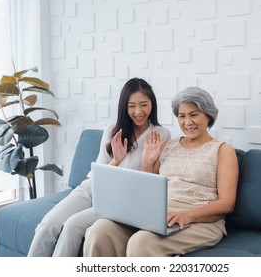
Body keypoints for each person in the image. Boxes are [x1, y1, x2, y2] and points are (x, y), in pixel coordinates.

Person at [83, 87, 239, 257]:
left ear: (208, 115)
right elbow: (151, 188)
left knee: (141, 242)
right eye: (182, 116)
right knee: (99, 231)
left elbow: (227, 203)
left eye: (193, 115)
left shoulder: (222, 150)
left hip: (200, 220)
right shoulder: (169, 145)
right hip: (160, 215)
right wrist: (147, 163)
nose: (187, 123)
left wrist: (186, 215)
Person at [27, 78, 171, 256]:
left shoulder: (161, 134)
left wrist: (147, 163)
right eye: (132, 105)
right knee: (48, 224)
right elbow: (99, 172)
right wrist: (116, 161)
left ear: (152, 105)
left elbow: (155, 186)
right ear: (124, 106)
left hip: (122, 201)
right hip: (92, 189)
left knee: (72, 225)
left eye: (144, 104)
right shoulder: (112, 130)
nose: (138, 111)